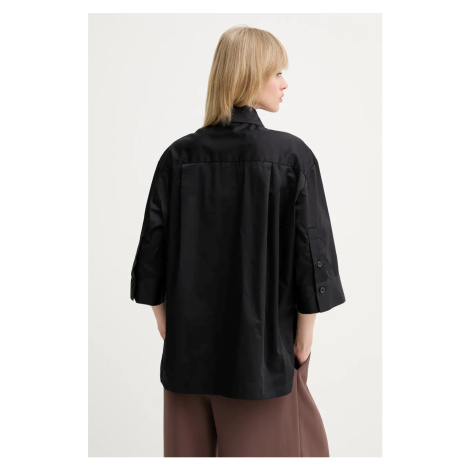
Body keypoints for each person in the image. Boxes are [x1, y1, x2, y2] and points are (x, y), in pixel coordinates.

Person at [130, 25, 346, 457]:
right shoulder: (291, 157)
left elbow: (151, 259)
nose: (284, 83)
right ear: (250, 75)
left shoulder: (177, 157)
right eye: (277, 72)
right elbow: (313, 259)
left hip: (187, 365)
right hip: (262, 366)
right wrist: (303, 340)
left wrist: (167, 323)